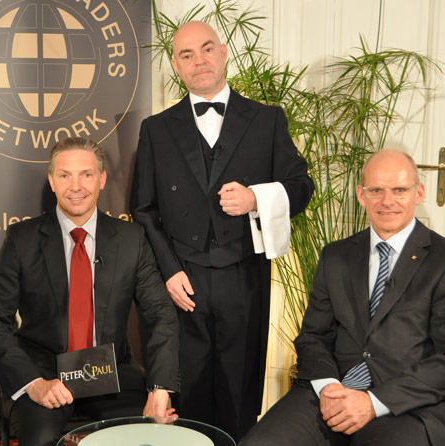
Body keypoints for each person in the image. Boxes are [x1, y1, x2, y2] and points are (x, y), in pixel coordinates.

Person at [130, 20, 314, 439]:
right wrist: (169, 272)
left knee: (238, 394)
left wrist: (256, 198)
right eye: (187, 55)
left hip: (244, 275)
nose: (200, 61)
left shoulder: (267, 120)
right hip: (183, 279)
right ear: (176, 66)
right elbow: (144, 210)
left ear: (224, 51)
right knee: (188, 395)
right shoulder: (156, 128)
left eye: (207, 49)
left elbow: (302, 187)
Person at [240, 149, 445, 446]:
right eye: (376, 190)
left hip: (412, 406)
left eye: (399, 190)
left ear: (418, 193)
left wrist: (372, 403)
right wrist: (329, 388)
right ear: (361, 195)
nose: (387, 201)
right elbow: (314, 336)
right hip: (333, 393)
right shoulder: (335, 256)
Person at [0, 137, 180, 446]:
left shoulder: (131, 239)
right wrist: (33, 383)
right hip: (45, 372)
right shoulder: (23, 239)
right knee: (40, 439)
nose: (76, 186)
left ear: (102, 179)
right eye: (64, 175)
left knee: (148, 435)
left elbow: (161, 315)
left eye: (86, 174)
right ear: (51, 181)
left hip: (113, 372)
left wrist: (160, 389)